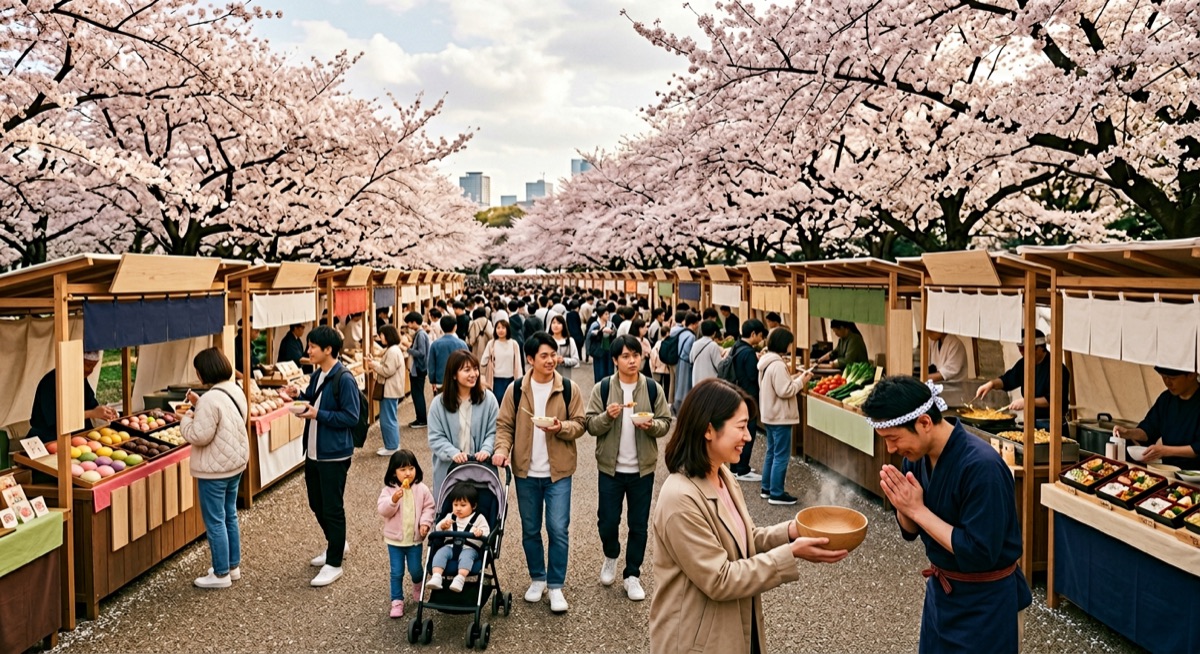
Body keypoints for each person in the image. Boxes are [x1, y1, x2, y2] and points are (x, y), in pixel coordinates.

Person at [649, 379, 848, 653]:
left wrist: (793, 530)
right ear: (708, 430)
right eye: (741, 427)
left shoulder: (722, 475)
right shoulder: (680, 498)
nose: (748, 436)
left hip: (732, 627)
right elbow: (719, 579)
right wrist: (791, 553)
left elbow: (746, 539)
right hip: (696, 640)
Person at [864, 376, 1031, 653]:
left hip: (986, 603)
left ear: (925, 423)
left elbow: (979, 551)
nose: (890, 449)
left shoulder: (982, 468)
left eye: (893, 439)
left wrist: (917, 509)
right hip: (942, 596)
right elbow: (911, 531)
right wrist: (903, 507)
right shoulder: (915, 458)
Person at [492, 332, 586, 614]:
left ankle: (556, 586)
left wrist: (561, 428)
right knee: (530, 529)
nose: (551, 360)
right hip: (525, 472)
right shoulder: (516, 389)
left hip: (559, 472)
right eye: (543, 356)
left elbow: (580, 424)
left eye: (553, 354)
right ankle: (538, 578)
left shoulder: (568, 388)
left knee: (558, 529)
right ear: (530, 359)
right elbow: (504, 425)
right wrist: (502, 450)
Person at [584, 335, 673, 601]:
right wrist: (606, 417)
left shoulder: (653, 388)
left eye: (635, 355)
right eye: (625, 356)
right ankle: (611, 554)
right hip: (610, 469)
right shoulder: (602, 389)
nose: (632, 360)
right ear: (615, 360)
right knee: (607, 521)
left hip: (641, 469)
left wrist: (651, 425)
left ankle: (632, 573)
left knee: (638, 524)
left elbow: (665, 423)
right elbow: (590, 425)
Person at [286, 325, 361, 587]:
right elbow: (313, 400)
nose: (308, 351)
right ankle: (336, 544)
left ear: (328, 349)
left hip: (334, 454)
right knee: (316, 504)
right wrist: (299, 396)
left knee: (332, 507)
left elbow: (351, 416)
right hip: (315, 452)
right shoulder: (318, 374)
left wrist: (318, 415)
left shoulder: (345, 379)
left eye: (313, 346)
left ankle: (334, 562)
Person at [180, 348, 249, 589]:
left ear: (203, 373)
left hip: (215, 470)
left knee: (215, 520)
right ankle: (232, 565)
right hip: (235, 464)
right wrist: (200, 404)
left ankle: (220, 575)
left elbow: (200, 435)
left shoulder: (210, 399)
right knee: (229, 514)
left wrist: (186, 418)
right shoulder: (234, 389)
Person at [427, 350, 498, 495]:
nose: (473, 374)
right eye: (467, 370)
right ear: (454, 375)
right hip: (449, 472)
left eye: (475, 369)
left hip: (481, 471)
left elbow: (494, 431)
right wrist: (453, 453)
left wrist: (486, 449)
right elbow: (436, 437)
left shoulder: (488, 400)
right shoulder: (439, 404)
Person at [973, 330, 1070, 429]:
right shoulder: (1024, 364)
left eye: (1025, 349)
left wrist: (1027, 401)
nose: (1022, 354)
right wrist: (991, 384)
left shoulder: (1058, 369)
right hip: (1031, 423)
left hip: (1053, 425)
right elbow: (1007, 380)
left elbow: (1054, 400)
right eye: (1020, 349)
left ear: (1040, 349)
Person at [377, 449, 434, 618]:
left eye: (411, 468)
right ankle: (397, 601)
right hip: (395, 541)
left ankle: (418, 585)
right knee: (396, 572)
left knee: (416, 569)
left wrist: (425, 523)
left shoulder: (421, 489)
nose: (408, 473)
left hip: (414, 540)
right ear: (394, 473)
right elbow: (383, 510)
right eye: (402, 470)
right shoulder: (388, 491)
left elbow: (429, 507)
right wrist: (393, 500)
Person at [756, 328, 810, 505]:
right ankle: (777, 493)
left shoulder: (766, 362)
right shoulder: (778, 364)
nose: (790, 346)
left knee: (771, 452)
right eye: (789, 343)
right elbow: (785, 390)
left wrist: (794, 378)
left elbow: (777, 385)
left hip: (769, 415)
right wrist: (801, 381)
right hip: (780, 417)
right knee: (781, 455)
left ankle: (767, 488)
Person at [1114, 366, 1200, 467]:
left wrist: (1165, 451)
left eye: (1172, 378)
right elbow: (1149, 429)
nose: (1167, 382)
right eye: (1164, 377)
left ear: (1191, 375)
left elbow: (1197, 448)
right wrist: (1129, 433)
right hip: (1168, 468)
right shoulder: (1166, 398)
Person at [28, 350, 117, 443]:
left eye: (94, 366)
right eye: (88, 365)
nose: (90, 371)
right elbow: (57, 420)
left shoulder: (80, 378)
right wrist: (92, 413)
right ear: (77, 361)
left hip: (77, 434)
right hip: (49, 437)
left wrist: (104, 411)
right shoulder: (50, 383)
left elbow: (91, 404)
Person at [426, 484, 492, 593]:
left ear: (473, 506)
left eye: (463, 505)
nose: (458, 508)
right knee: (440, 553)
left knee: (466, 557)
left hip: (469, 548)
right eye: (455, 504)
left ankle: (460, 578)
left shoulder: (479, 518)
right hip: (450, 546)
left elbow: (486, 531)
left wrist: (480, 532)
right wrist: (443, 526)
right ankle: (437, 577)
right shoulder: (450, 516)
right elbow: (437, 529)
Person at [729, 319, 768, 482]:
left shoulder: (736, 346)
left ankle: (735, 467)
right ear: (753, 334)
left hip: (737, 395)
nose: (760, 339)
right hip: (748, 397)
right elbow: (753, 376)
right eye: (760, 336)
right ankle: (742, 469)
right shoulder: (749, 353)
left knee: (737, 432)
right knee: (747, 433)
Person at [369, 325, 407, 456]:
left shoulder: (392, 351)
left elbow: (387, 371)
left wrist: (374, 365)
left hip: (389, 390)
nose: (380, 338)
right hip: (392, 389)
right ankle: (392, 444)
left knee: (387, 418)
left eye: (382, 335)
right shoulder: (394, 349)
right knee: (390, 417)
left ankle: (391, 446)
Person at [481, 319, 524, 404]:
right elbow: (483, 361)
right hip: (496, 379)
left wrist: (520, 380)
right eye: (498, 328)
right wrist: (490, 356)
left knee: (510, 402)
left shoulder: (513, 343)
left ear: (507, 329)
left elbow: (518, 363)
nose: (500, 330)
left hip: (511, 378)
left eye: (503, 328)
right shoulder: (491, 343)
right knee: (498, 402)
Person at [428, 315, 468, 395]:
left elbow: (431, 365)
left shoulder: (435, 344)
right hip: (458, 380)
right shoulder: (462, 344)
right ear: (455, 327)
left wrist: (432, 380)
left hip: (441, 380)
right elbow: (467, 363)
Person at [405, 312, 431, 429]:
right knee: (417, 394)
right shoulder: (421, 334)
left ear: (414, 322)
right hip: (420, 369)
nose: (408, 325)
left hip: (419, 369)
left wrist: (408, 349)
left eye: (409, 323)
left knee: (417, 394)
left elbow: (421, 353)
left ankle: (421, 419)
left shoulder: (420, 335)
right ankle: (420, 418)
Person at [670, 311, 700, 413]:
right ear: (694, 324)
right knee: (685, 387)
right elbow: (689, 352)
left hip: (679, 361)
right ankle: (683, 409)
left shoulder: (682, 333)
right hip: (686, 363)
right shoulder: (691, 336)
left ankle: (677, 407)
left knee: (679, 386)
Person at [690, 320, 724, 386]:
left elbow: (691, 359)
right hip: (710, 381)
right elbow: (719, 365)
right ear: (714, 333)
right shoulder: (713, 345)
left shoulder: (695, 344)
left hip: (697, 380)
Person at [587, 307, 617, 383]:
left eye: (608, 314)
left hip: (609, 350)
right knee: (599, 371)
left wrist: (612, 332)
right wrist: (601, 331)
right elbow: (590, 335)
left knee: (609, 371)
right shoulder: (595, 324)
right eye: (606, 314)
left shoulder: (611, 324)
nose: (608, 316)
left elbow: (615, 333)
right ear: (600, 315)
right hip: (598, 351)